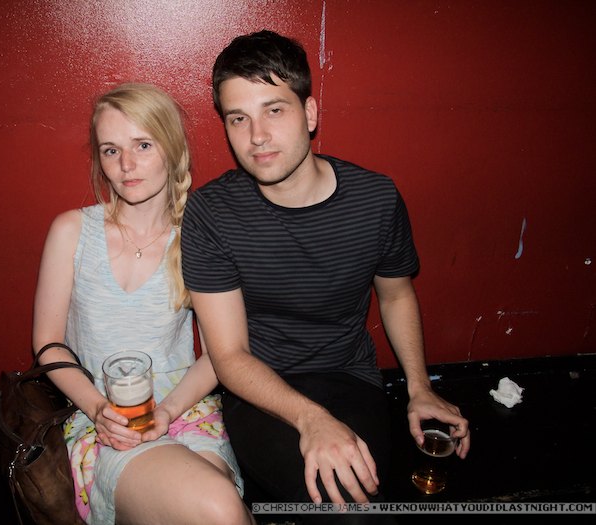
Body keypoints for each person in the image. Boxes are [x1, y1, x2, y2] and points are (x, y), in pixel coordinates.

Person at [181, 30, 471, 523]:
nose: (256, 136)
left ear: (310, 113)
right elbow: (228, 355)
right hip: (260, 391)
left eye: (274, 110)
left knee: (357, 506)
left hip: (348, 377)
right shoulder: (212, 213)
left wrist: (419, 387)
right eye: (238, 118)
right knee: (343, 511)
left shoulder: (375, 199)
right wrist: (311, 420)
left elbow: (396, 296)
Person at [32, 82, 254, 525]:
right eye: (111, 150)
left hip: (187, 409)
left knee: (223, 511)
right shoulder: (72, 232)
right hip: (104, 418)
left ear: (172, 149)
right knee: (221, 509)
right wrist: (98, 408)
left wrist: (168, 411)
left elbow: (221, 355)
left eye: (143, 145)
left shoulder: (199, 239)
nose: (126, 165)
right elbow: (48, 344)